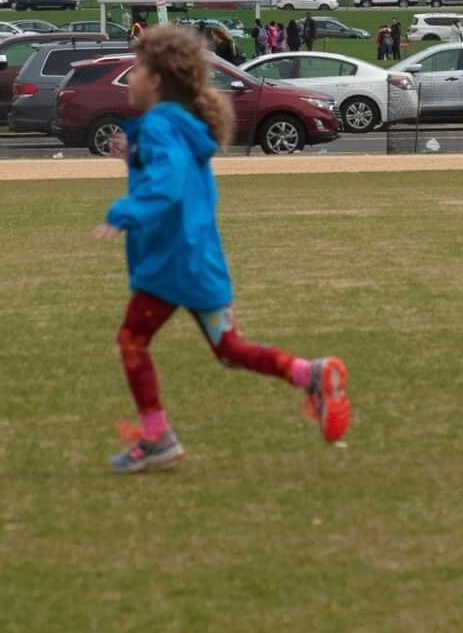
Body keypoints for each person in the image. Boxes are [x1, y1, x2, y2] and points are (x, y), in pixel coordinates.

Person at [97, 25, 352, 472]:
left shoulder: (159, 124)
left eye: (136, 70)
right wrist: (133, 155)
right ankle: (310, 374)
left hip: (171, 265)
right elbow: (170, 166)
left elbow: (170, 179)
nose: (129, 78)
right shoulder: (181, 125)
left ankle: (157, 436)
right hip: (199, 263)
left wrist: (126, 212)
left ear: (156, 81)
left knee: (131, 341)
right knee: (229, 349)